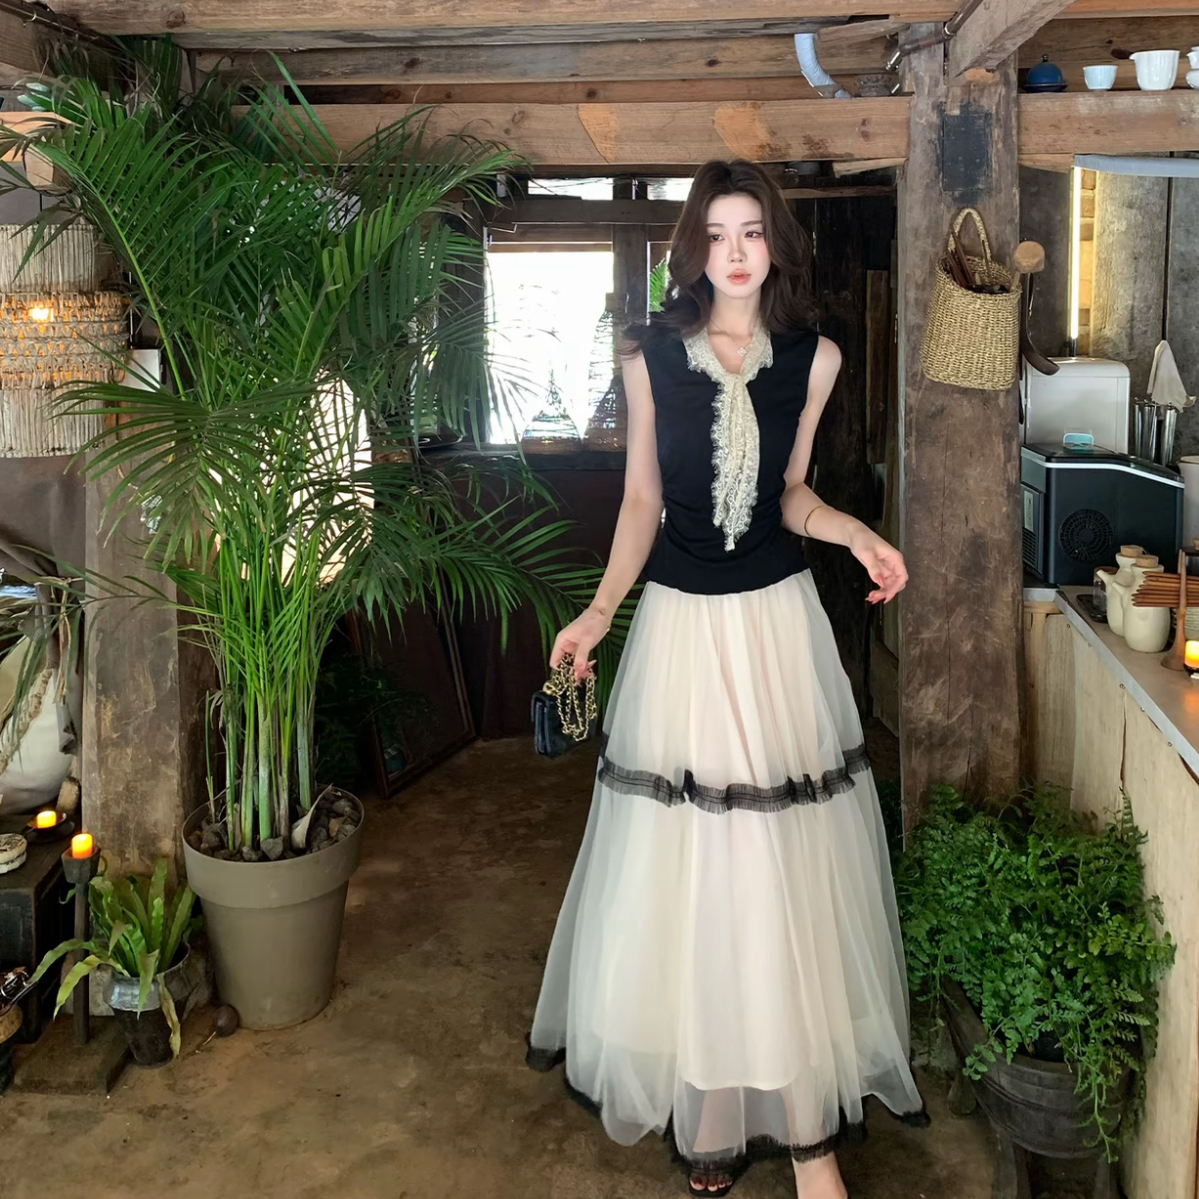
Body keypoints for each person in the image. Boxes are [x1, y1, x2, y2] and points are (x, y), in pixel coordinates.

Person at [524, 159, 927, 1199]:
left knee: (778, 865)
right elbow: (641, 502)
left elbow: (789, 493)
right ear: (693, 247)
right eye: (716, 233)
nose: (735, 252)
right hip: (680, 631)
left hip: (774, 627)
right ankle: (709, 1108)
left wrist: (856, 533)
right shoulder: (648, 353)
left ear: (773, 243)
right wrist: (597, 612)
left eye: (751, 231)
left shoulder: (815, 358)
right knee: (693, 868)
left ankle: (805, 1133)